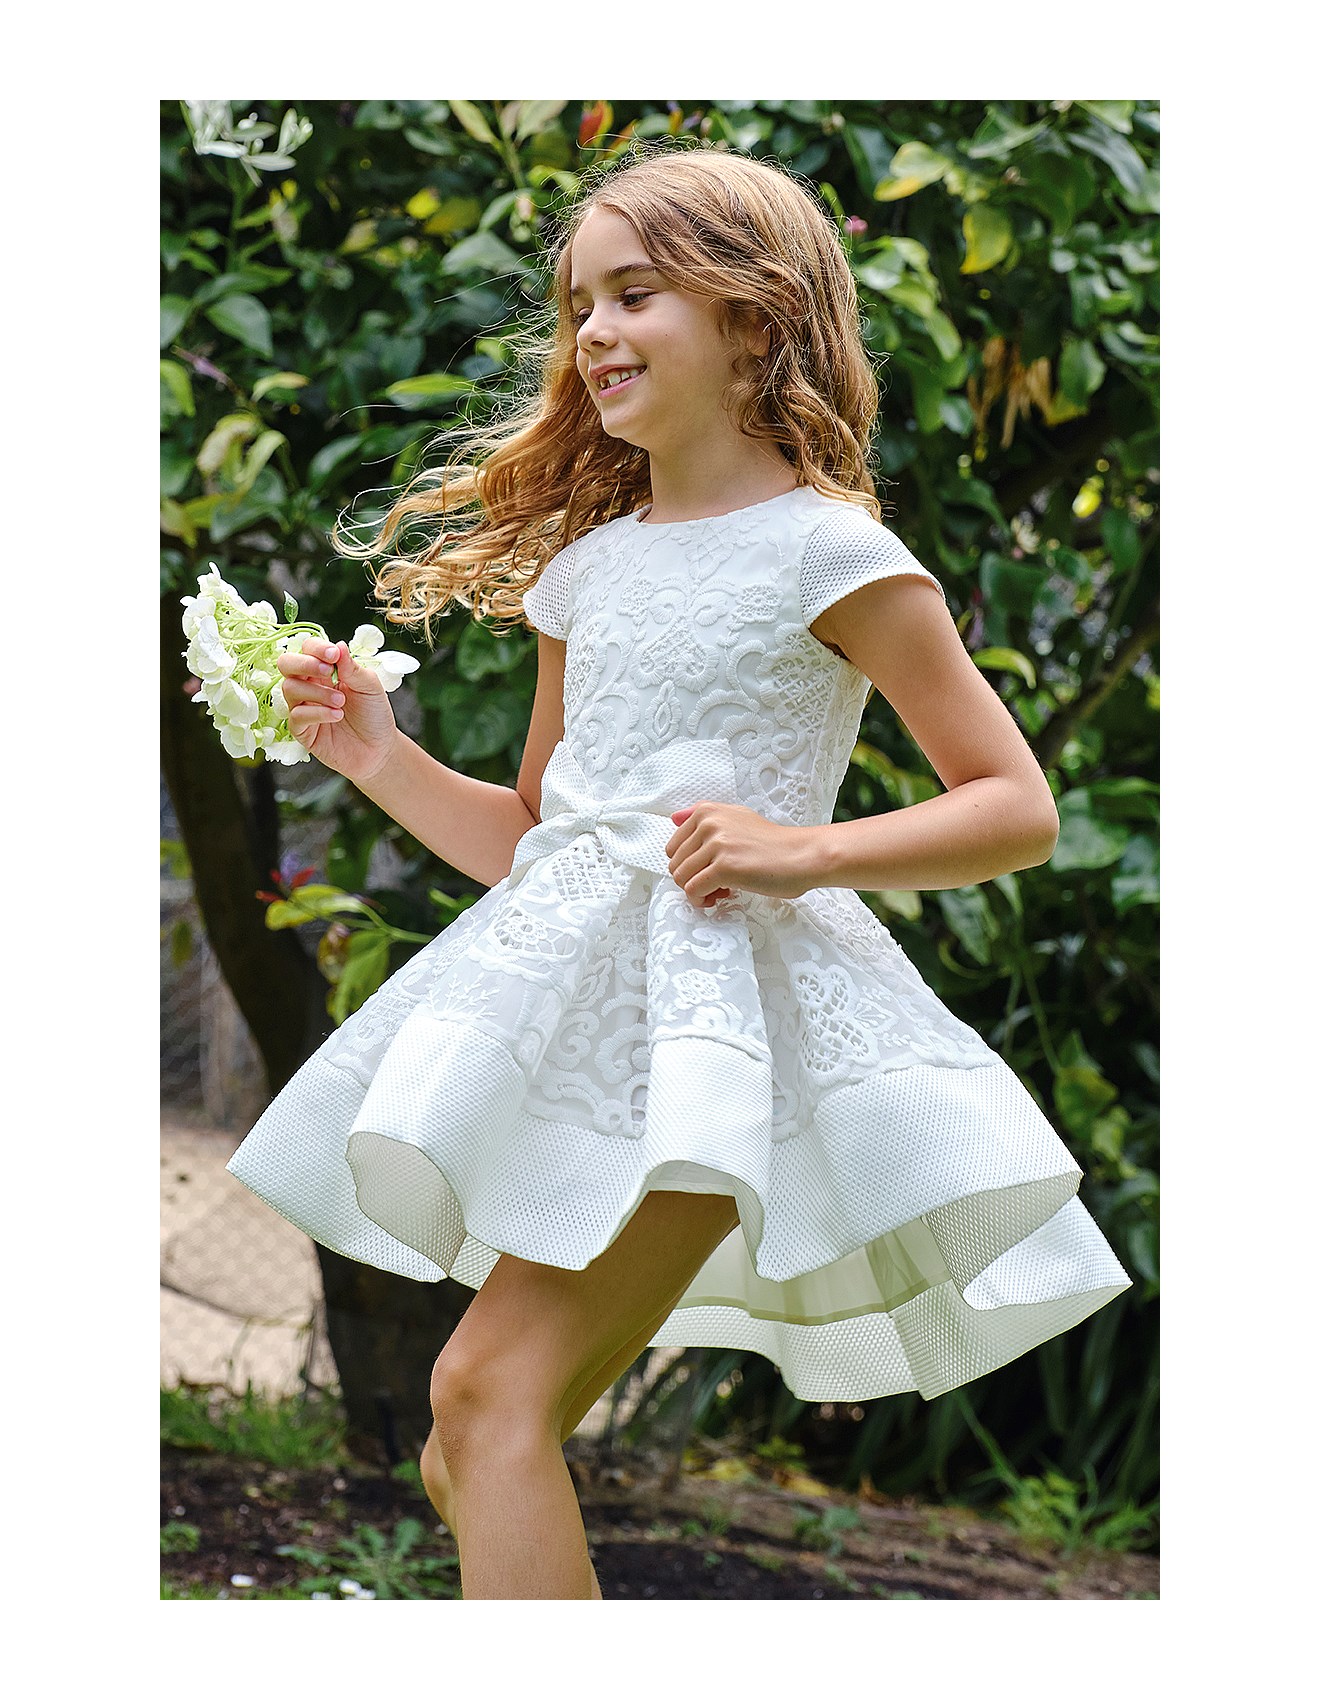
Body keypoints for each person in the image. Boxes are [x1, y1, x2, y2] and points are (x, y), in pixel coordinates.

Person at [225, 140, 1130, 1601]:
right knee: (466, 1446)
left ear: (753, 321)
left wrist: (801, 852)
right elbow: (538, 840)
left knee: (485, 1399)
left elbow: (1014, 806)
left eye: (635, 294)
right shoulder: (589, 572)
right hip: (584, 1027)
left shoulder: (831, 556)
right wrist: (378, 757)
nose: (592, 331)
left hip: (718, 1037)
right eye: (580, 302)